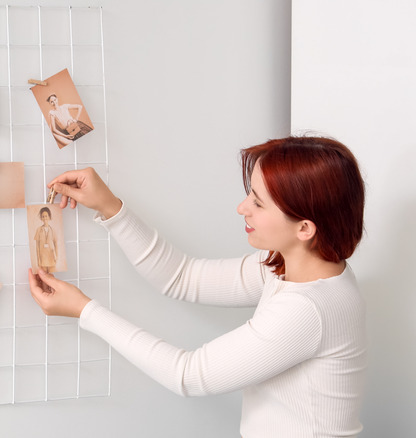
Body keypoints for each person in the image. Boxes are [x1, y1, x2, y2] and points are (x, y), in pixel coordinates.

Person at [27, 137, 367, 438]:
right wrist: (108, 206)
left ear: (304, 228)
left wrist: (85, 311)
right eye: (250, 193)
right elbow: (181, 276)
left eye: (258, 203)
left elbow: (187, 374)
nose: (242, 208)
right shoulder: (292, 265)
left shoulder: (307, 309)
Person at [34, 207, 58, 273]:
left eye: (46, 216)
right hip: (43, 258)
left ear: (49, 217)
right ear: (41, 218)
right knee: (44, 276)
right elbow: (37, 247)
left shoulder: (52, 230)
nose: (45, 218)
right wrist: (38, 260)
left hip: (51, 257)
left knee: (52, 276)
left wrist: (56, 256)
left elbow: (56, 244)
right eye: (43, 216)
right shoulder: (39, 230)